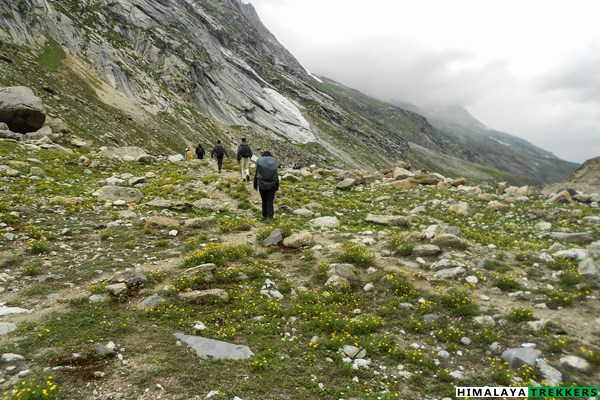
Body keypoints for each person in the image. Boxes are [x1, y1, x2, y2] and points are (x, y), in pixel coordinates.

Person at [253, 151, 279, 221]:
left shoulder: (260, 163)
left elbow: (256, 174)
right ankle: (270, 216)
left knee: (264, 200)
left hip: (262, 184)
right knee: (270, 200)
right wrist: (277, 185)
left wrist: (255, 185)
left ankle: (264, 215)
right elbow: (276, 175)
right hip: (272, 184)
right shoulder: (273, 163)